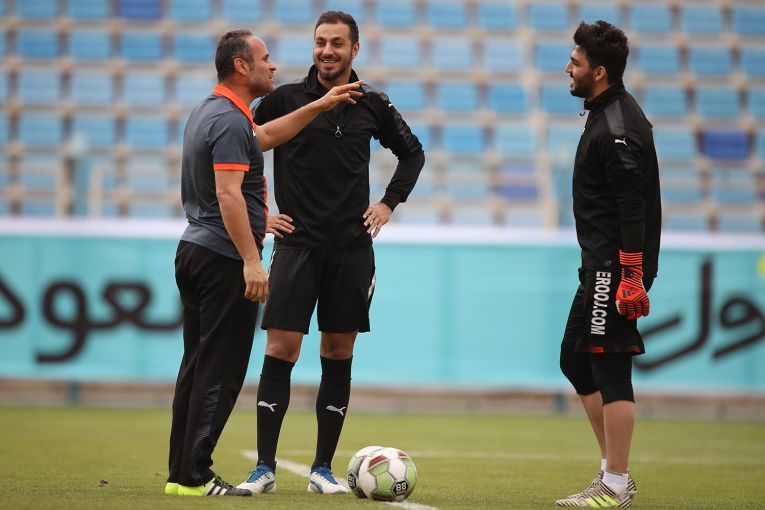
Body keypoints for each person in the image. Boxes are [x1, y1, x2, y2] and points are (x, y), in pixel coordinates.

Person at [166, 29, 361, 497]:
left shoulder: (211, 111)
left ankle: (180, 475)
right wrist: (252, 261)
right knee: (220, 369)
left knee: (196, 366)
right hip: (222, 257)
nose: (273, 66)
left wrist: (319, 105)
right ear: (241, 66)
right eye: (265, 58)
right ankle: (195, 475)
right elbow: (228, 194)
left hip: (195, 248)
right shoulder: (230, 122)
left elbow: (267, 136)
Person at [237, 10, 425, 495]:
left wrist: (387, 204)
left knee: (338, 352)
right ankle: (264, 469)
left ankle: (322, 469)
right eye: (321, 41)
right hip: (296, 246)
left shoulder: (373, 103)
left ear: (354, 49)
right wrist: (259, 213)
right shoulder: (284, 100)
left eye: (337, 43)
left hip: (351, 250)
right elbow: (238, 146)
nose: (327, 51)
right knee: (281, 349)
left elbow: (413, 153)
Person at [555, 21, 661, 508]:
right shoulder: (605, 113)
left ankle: (615, 483)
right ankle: (612, 473)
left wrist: (632, 276)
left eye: (575, 62)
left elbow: (632, 206)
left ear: (599, 72)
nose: (568, 68)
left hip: (614, 269)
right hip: (601, 265)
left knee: (610, 369)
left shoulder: (617, 125)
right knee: (575, 361)